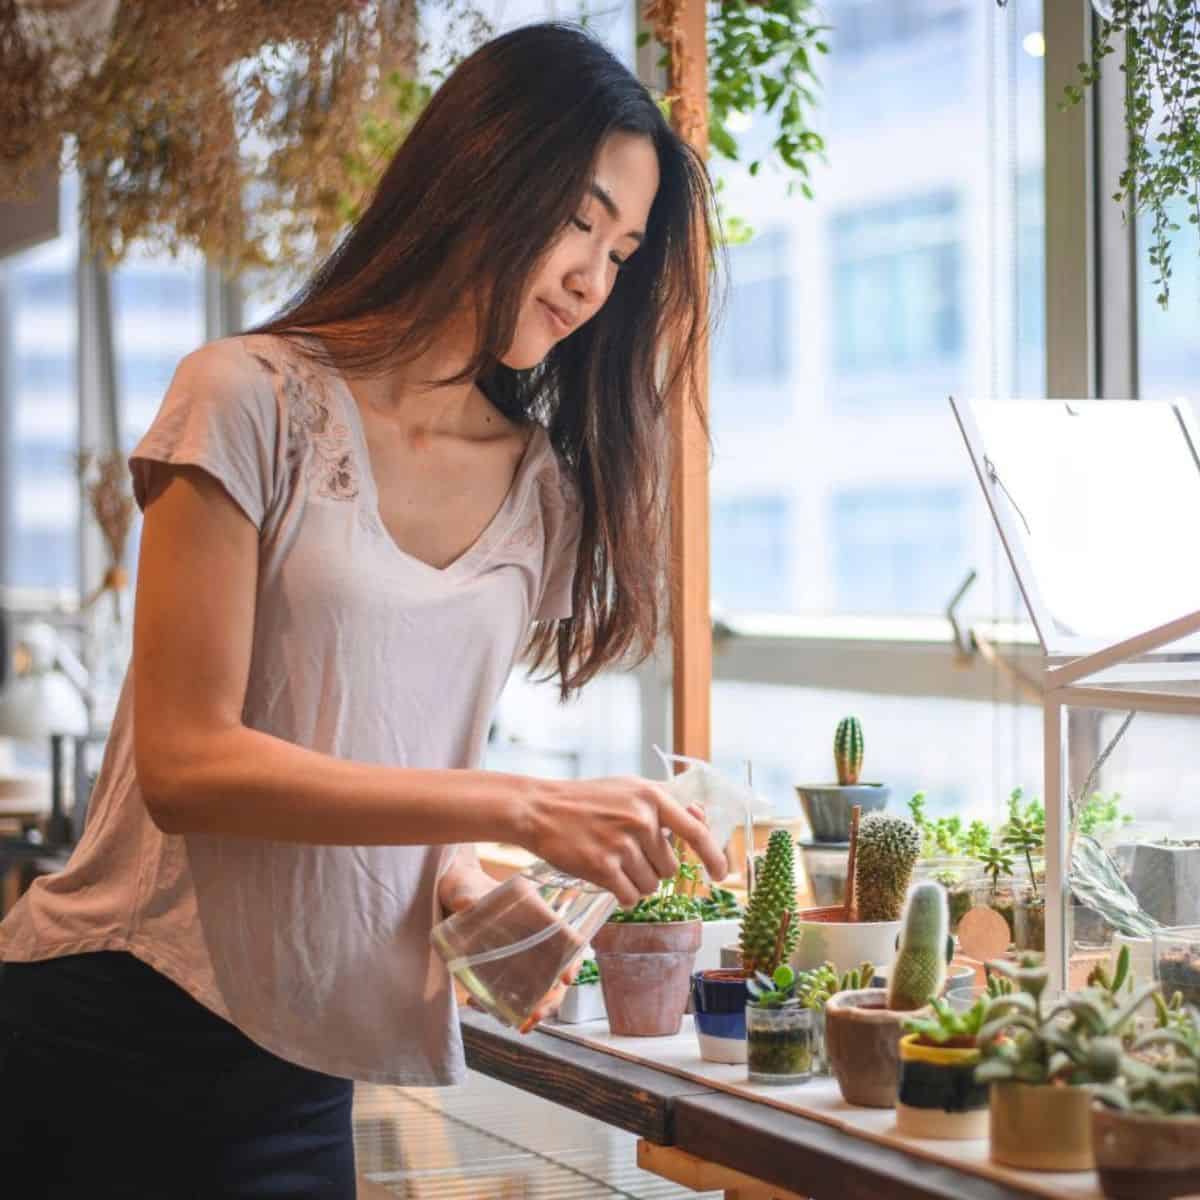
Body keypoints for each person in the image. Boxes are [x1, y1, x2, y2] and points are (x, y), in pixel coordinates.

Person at [0, 21, 727, 1200]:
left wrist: (469, 892)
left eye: (627, 249)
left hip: (308, 1071)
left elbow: (385, 753)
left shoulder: (539, 492)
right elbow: (188, 766)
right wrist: (526, 807)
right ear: (479, 174)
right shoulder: (245, 398)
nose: (597, 274)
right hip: (116, 1023)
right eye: (581, 218)